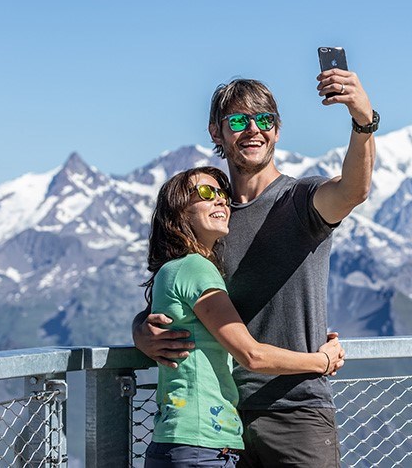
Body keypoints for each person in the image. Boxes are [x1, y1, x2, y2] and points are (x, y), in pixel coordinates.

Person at [134, 68, 377, 467]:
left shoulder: (301, 200)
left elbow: (355, 190)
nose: (253, 130)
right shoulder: (211, 218)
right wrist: (143, 330)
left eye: (264, 120)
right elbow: (179, 295)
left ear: (277, 131)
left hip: (296, 412)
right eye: (238, 121)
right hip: (222, 423)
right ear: (217, 132)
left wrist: (363, 119)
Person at [142, 166, 345, 468]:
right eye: (207, 193)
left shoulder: (174, 270)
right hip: (201, 443)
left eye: (222, 194)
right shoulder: (195, 269)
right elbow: (251, 355)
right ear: (179, 212)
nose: (221, 201)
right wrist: (322, 361)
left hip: (185, 439)